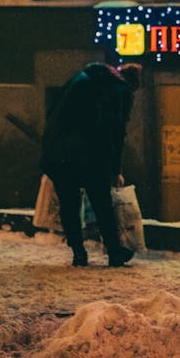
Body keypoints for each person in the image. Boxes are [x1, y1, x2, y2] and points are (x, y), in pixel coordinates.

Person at [41, 61, 142, 268]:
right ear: (132, 84)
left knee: (69, 205)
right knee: (102, 204)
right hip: (91, 155)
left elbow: (54, 114)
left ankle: (79, 253)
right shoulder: (121, 90)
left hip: (58, 153)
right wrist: (115, 170)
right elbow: (117, 132)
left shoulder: (79, 79)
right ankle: (114, 253)